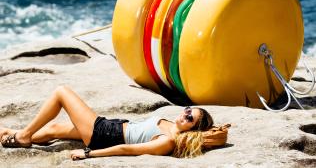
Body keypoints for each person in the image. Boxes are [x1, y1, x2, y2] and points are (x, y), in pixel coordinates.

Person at [0, 85, 213, 159]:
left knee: (61, 93)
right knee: (53, 129)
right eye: (187, 110)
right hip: (110, 127)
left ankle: (24, 136)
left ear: (192, 128)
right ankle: (10, 133)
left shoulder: (168, 140)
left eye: (189, 118)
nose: (184, 114)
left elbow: (128, 150)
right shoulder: (169, 123)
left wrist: (89, 153)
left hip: (104, 135)